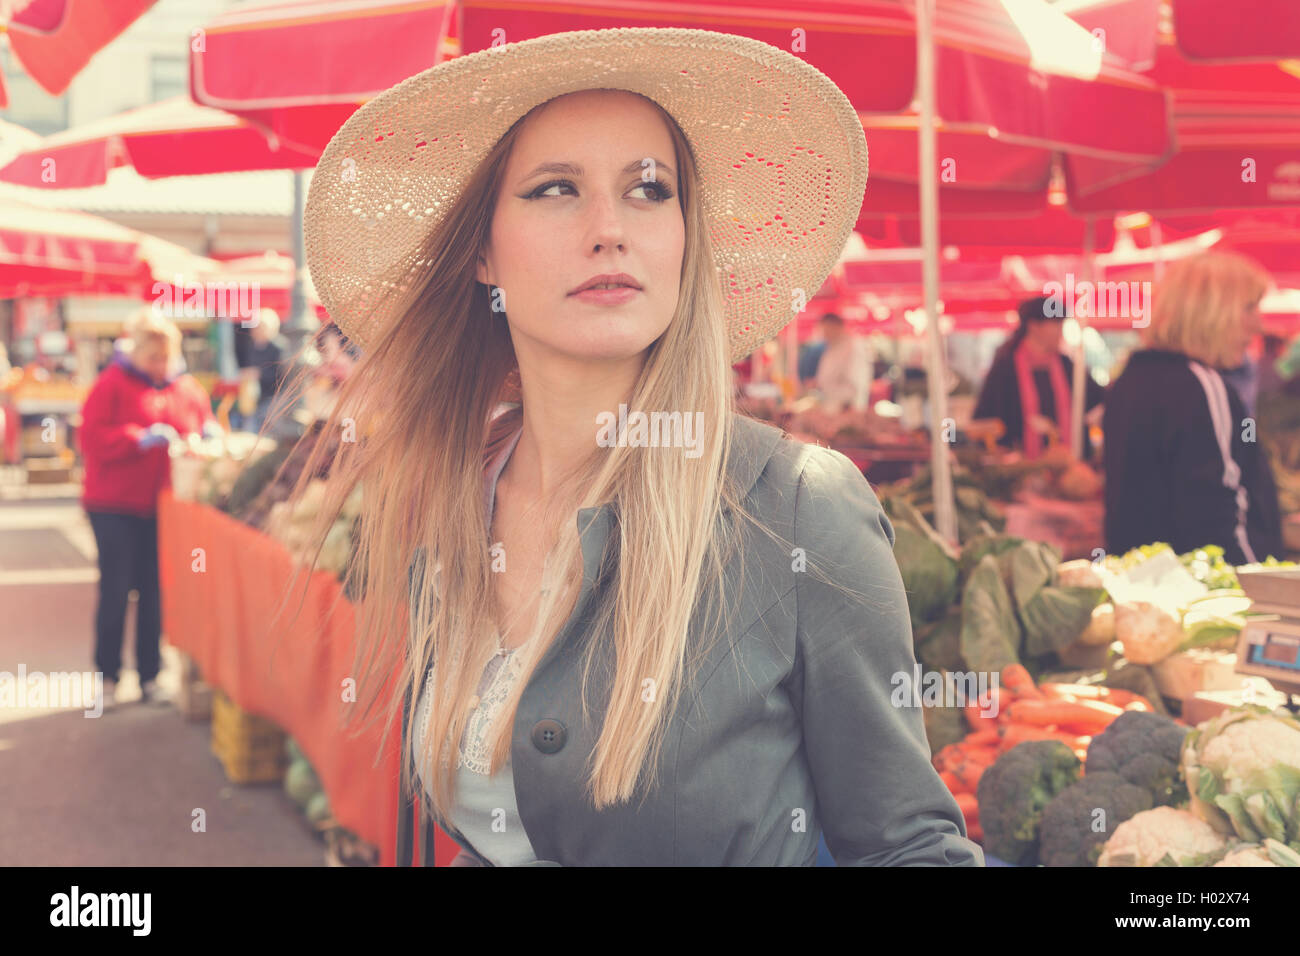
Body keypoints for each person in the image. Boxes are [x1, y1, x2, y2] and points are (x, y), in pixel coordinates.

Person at [284, 27, 979, 867]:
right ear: (479, 251)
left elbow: (909, 846)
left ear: (686, 236)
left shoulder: (797, 506)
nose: (611, 228)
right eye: (554, 190)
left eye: (650, 190)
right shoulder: (455, 497)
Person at [1103, 251, 1284, 564]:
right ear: (1210, 311)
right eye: (1249, 308)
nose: (1258, 324)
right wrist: (1266, 583)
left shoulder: (1130, 381)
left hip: (1150, 584)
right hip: (1213, 593)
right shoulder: (1203, 386)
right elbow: (1219, 513)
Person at [78, 309, 218, 708]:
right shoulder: (111, 384)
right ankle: (107, 676)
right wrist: (136, 438)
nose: (159, 365)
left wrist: (207, 435)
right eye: (152, 358)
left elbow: (202, 422)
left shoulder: (186, 388)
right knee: (116, 589)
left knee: (155, 590)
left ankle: (150, 675)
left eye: (164, 358)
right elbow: (90, 438)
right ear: (137, 353)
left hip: (162, 506)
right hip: (113, 505)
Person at [972, 295, 1106, 460]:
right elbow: (985, 418)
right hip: (1021, 468)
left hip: (1067, 465)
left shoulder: (1067, 365)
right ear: (1034, 326)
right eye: (1056, 324)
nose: (1060, 331)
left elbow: (1097, 400)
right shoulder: (1005, 367)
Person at [233, 307, 287, 433]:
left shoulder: (279, 347)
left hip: (275, 398)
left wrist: (259, 374)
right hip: (257, 397)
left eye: (258, 327)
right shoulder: (253, 347)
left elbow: (282, 374)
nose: (254, 330)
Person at [813, 312, 873, 412]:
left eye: (827, 329)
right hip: (832, 407)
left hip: (846, 409)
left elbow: (856, 383)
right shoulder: (831, 348)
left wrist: (847, 407)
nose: (824, 334)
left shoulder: (853, 346)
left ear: (838, 327)